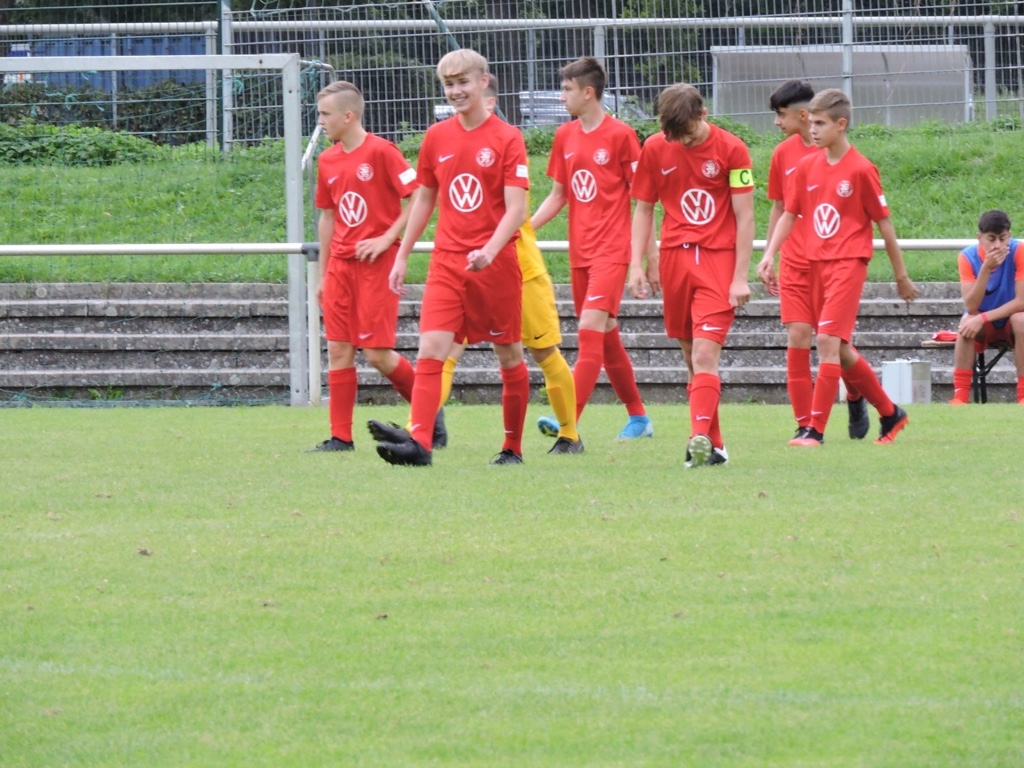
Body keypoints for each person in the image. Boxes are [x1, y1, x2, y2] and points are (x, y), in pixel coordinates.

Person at [367, 48, 530, 467]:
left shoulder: (508, 138)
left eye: (462, 82)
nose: (456, 91)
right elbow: (424, 199)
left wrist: (490, 250)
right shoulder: (437, 136)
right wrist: (402, 254)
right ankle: (420, 444)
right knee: (430, 348)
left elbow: (516, 209)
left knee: (509, 354)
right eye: (448, 84)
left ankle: (512, 447)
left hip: (496, 266)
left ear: (483, 82)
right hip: (447, 262)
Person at [760, 88, 920, 446]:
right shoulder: (806, 166)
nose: (813, 130)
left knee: (827, 340)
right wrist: (770, 253)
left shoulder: (861, 169)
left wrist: (901, 275)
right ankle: (888, 412)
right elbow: (789, 213)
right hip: (811, 262)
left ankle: (814, 430)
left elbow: (885, 224)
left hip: (847, 263)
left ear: (841, 124)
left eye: (820, 123)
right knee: (832, 346)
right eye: (812, 123)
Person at [434, 75, 583, 454]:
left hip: (520, 269)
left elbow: (518, 209)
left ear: (490, 100)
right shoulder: (452, 144)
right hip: (469, 269)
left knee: (542, 352)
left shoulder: (505, 143)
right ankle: (420, 430)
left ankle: (569, 434)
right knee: (446, 350)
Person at [309, 80, 441, 452]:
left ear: (348, 116)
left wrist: (387, 238)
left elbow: (419, 194)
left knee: (377, 354)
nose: (320, 121)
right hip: (341, 268)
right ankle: (341, 438)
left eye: (325, 114)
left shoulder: (382, 152)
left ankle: (429, 416)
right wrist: (324, 273)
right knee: (339, 349)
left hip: (377, 265)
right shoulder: (327, 160)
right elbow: (328, 218)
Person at [628, 83, 754, 468]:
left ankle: (695, 440)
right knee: (691, 357)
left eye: (688, 133)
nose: (682, 142)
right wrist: (636, 264)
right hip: (675, 261)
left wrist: (740, 276)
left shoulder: (733, 149)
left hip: (717, 262)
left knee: (704, 353)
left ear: (703, 114)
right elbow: (644, 209)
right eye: (674, 136)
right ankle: (715, 445)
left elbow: (745, 216)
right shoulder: (655, 148)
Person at [531, 56, 654, 442]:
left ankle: (567, 421)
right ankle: (639, 418)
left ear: (588, 92)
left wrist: (645, 259)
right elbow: (559, 195)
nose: (561, 96)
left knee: (588, 332)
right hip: (580, 252)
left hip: (612, 251)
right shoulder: (564, 136)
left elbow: (643, 200)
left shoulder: (621, 136)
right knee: (606, 336)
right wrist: (521, 229)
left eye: (567, 89)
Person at [755, 79, 870, 441]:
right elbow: (780, 208)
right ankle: (806, 424)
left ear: (803, 114)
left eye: (781, 115)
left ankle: (856, 395)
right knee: (799, 335)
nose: (776, 122)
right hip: (795, 259)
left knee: (834, 344)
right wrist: (770, 254)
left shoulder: (840, 156)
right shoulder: (782, 154)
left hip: (831, 260)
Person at [949, 209, 1024, 405]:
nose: (997, 245)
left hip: (1011, 321)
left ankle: (1023, 395)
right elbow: (971, 306)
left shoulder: (1019, 251)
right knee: (966, 322)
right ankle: (960, 396)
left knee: (1021, 320)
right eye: (991, 239)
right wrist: (985, 269)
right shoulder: (967, 257)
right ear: (980, 238)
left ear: (1009, 235)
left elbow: (1021, 302)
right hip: (983, 323)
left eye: (1003, 238)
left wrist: (983, 318)